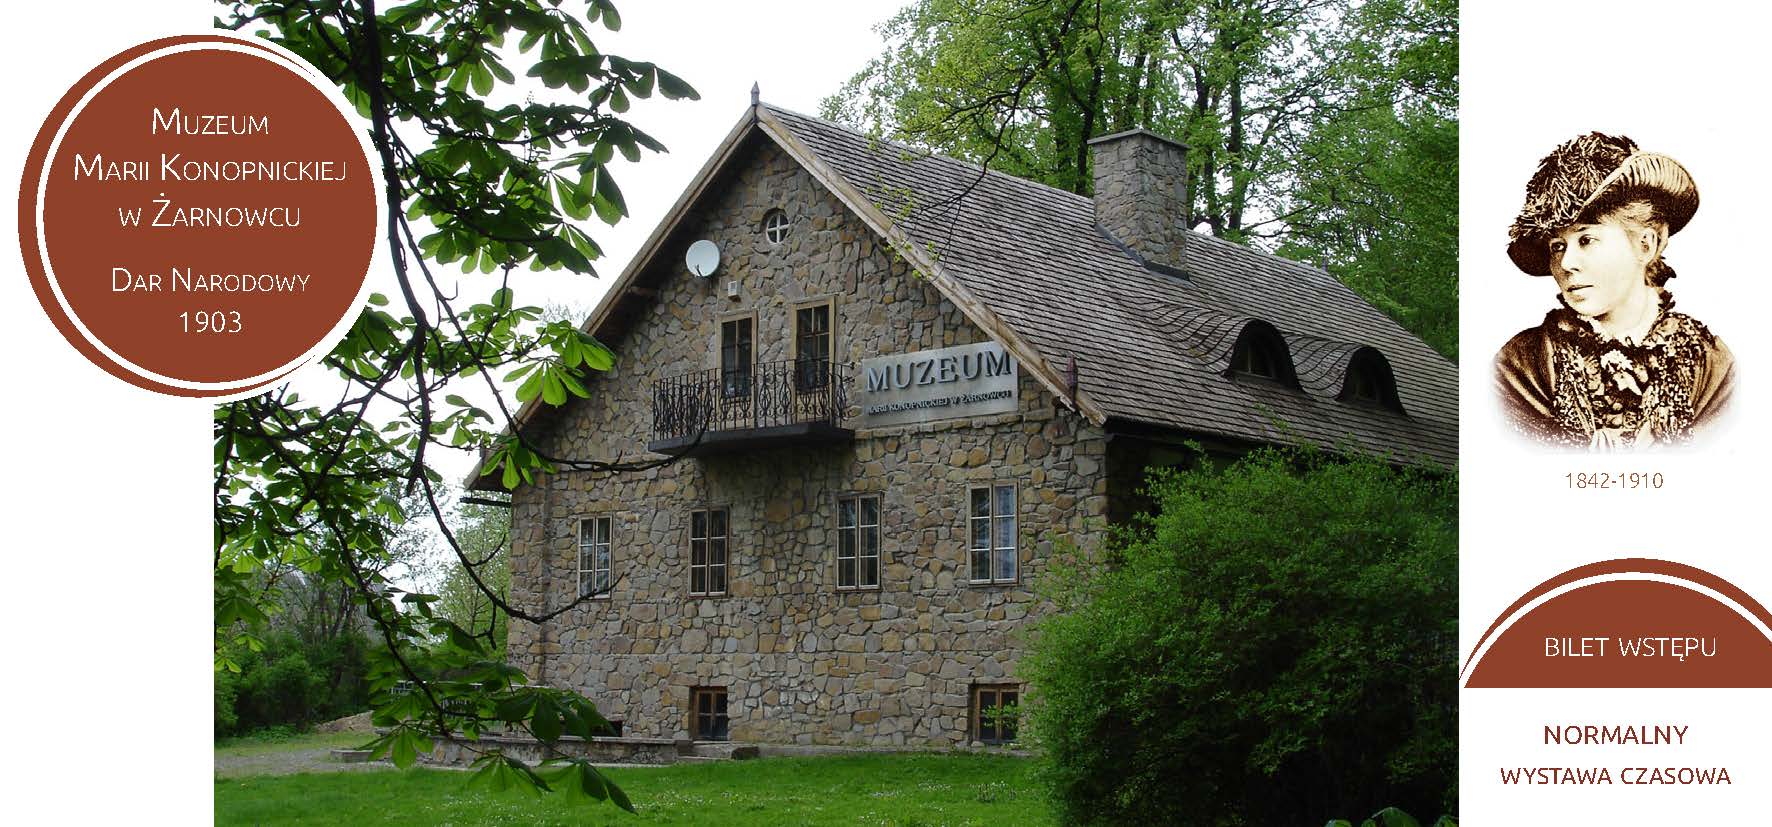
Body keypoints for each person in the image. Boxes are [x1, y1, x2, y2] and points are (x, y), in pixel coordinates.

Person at [1494, 132, 1733, 449]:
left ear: (1645, 245)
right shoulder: (1521, 365)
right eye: (1557, 246)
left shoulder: (1710, 363)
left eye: (1586, 240)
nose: (1566, 263)